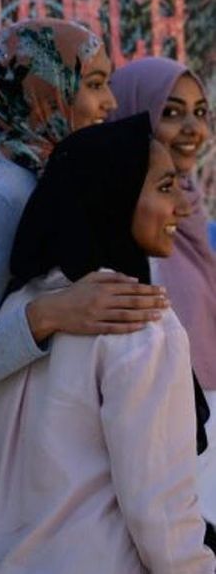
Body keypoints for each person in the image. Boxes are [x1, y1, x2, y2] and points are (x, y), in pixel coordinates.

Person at [0, 113, 213, 572]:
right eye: (164, 187)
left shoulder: (21, 312)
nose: (182, 206)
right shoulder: (138, 324)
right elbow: (161, 515)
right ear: (114, 194)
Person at [0, 19, 169, 558]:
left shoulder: (60, 181)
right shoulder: (0, 198)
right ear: (43, 93)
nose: (110, 102)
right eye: (94, 84)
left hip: (45, 502)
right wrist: (48, 315)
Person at [108, 56, 216, 529]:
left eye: (200, 112)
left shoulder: (189, 213)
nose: (192, 128)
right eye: (171, 112)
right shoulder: (129, 232)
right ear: (135, 114)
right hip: (168, 462)